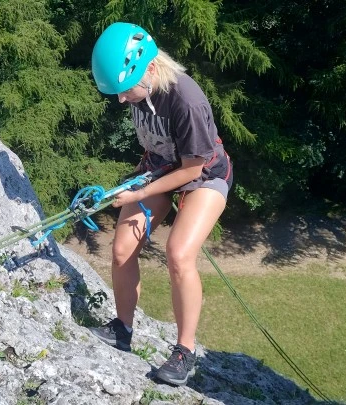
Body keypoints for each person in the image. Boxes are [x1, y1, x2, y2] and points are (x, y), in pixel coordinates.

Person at [87, 22, 233, 387]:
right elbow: (156, 144)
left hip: (204, 176)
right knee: (121, 250)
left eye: (125, 90)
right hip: (161, 170)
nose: (121, 100)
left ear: (150, 68)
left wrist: (137, 194)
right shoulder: (141, 91)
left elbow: (193, 168)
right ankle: (122, 327)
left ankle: (185, 352)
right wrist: (139, 179)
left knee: (179, 255)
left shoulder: (187, 101)